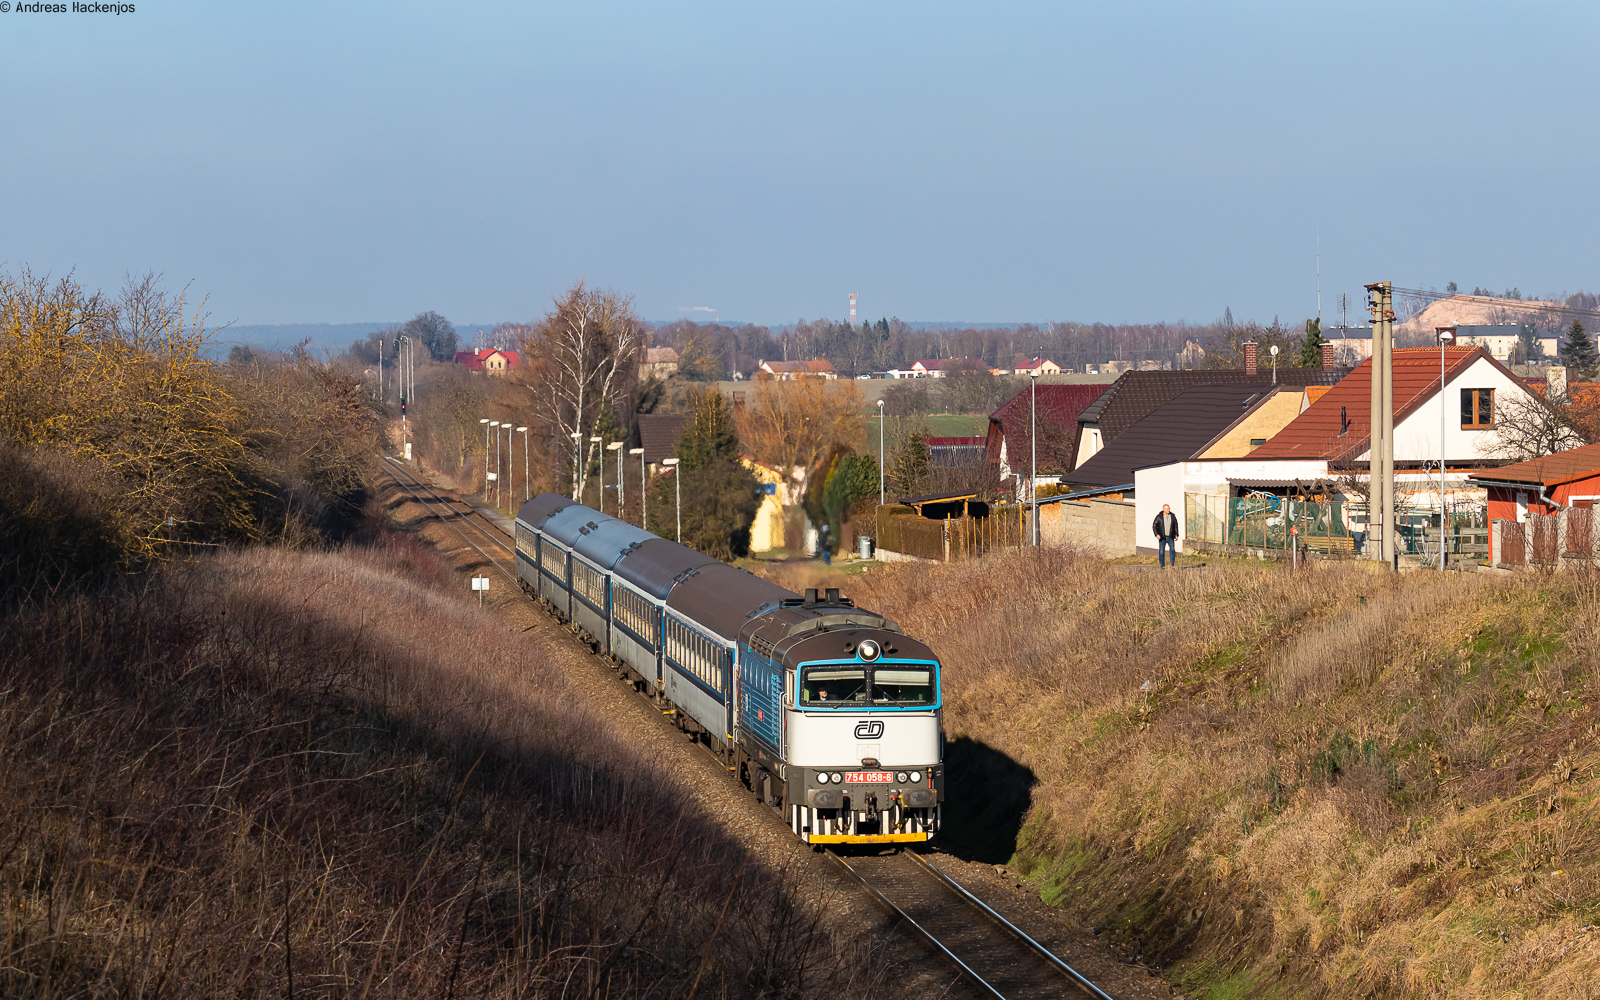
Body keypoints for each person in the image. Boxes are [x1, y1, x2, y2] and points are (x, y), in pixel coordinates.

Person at [1152, 503, 1180, 568]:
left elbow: (1175, 525)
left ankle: (1172, 565)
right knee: (1161, 552)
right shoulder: (1159, 516)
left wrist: (1176, 534)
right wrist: (1156, 534)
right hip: (1162, 537)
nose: (1169, 510)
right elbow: (1154, 525)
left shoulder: (1172, 516)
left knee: (1172, 550)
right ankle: (1162, 566)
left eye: (1169, 508)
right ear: (1163, 509)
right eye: (1167, 509)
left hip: (1170, 536)